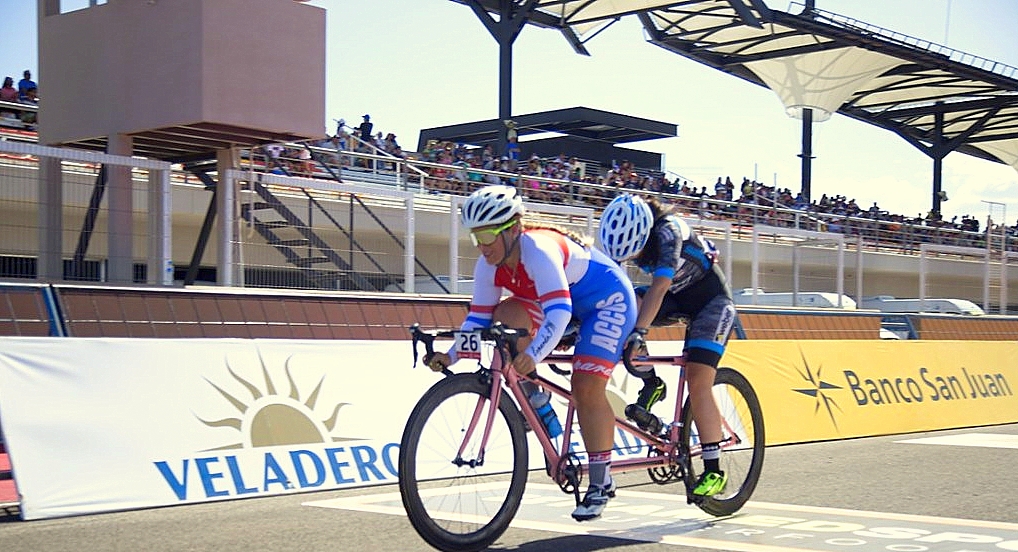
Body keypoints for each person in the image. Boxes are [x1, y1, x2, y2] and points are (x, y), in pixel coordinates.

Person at [425, 185, 637, 522]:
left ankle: (600, 482)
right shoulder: (488, 263)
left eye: (487, 235)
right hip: (558, 304)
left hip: (604, 302)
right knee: (502, 321)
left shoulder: (537, 250)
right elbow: (478, 318)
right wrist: (450, 356)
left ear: (511, 230)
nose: (481, 245)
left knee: (586, 388)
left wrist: (534, 355)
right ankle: (538, 404)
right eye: (475, 236)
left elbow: (560, 312)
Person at [598, 193, 738, 498]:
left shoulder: (669, 231)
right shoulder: (629, 241)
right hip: (677, 298)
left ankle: (714, 471)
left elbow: (660, 286)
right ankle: (652, 384)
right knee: (623, 303)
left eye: (635, 253)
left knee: (698, 380)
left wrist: (640, 331)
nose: (633, 260)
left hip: (710, 303)